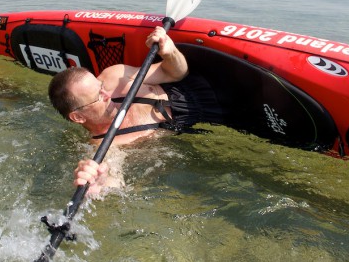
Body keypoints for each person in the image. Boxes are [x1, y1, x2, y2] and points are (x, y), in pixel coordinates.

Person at [48, 26, 224, 196]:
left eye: (100, 86)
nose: (107, 94)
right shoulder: (105, 146)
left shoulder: (114, 77)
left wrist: (169, 52)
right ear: (78, 117)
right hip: (214, 121)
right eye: (98, 96)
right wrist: (99, 184)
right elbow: (114, 179)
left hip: (205, 81)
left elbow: (177, 73)